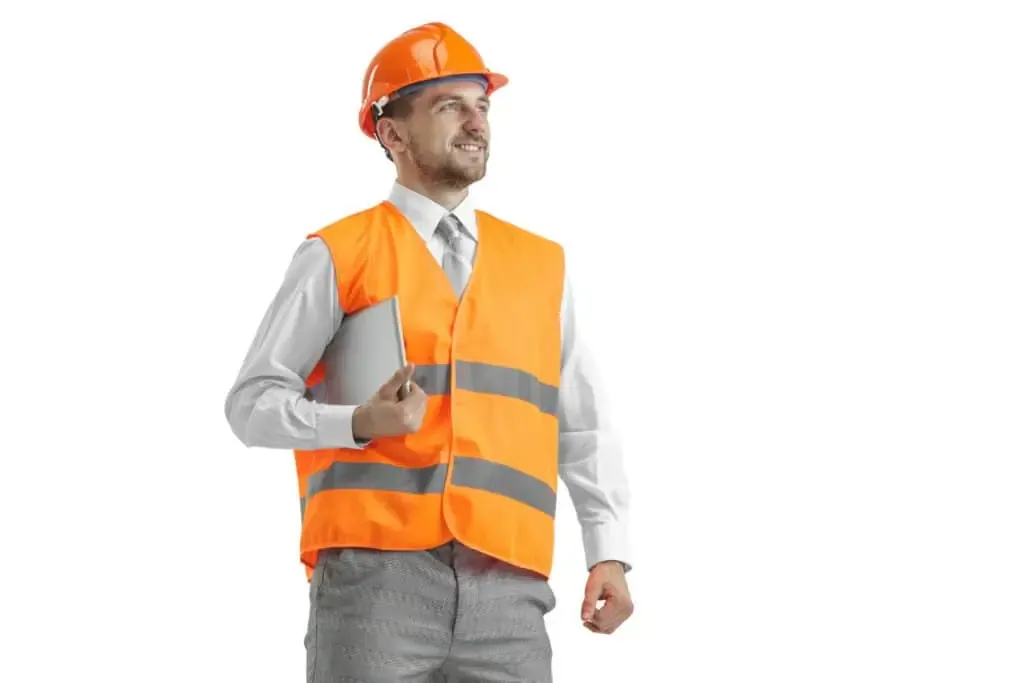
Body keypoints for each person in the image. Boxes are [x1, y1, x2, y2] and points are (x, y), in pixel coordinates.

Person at [224, 21, 633, 682]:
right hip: (372, 582)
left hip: (511, 589)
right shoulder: (339, 253)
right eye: (450, 106)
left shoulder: (541, 266)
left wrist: (607, 550)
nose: (477, 123)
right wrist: (355, 422)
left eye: (483, 106)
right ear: (392, 134)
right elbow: (251, 403)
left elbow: (582, 424)